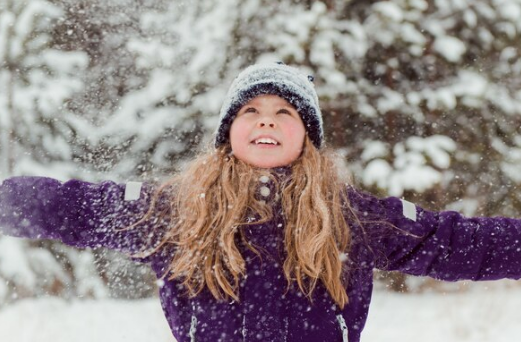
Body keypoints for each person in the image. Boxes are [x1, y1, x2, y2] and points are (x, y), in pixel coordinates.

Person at [1, 62, 521, 342]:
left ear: (307, 137)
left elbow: (461, 243)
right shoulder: (175, 211)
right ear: (229, 132)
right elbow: (72, 206)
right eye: (250, 109)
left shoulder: (351, 216)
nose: (266, 119)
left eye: (284, 111)